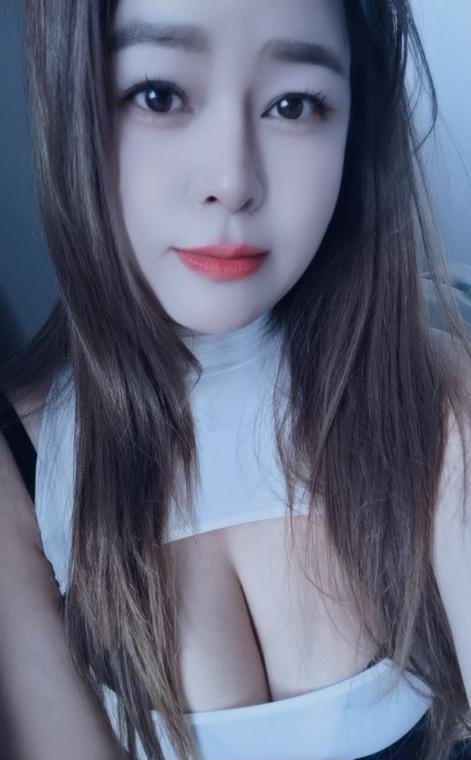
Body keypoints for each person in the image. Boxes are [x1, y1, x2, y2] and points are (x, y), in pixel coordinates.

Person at [0, 0, 470, 758]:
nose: (232, 181)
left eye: (294, 104)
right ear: (70, 99)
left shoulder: (435, 394)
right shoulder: (16, 480)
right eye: (158, 95)